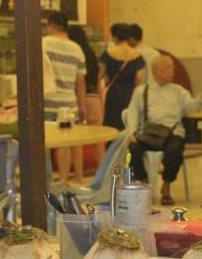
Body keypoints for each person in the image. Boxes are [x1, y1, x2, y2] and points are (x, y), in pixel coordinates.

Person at [126, 55, 202, 206]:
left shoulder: (179, 91)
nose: (171, 71)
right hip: (148, 133)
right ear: (155, 71)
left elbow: (192, 108)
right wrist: (131, 132)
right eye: (167, 68)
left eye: (172, 68)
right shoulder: (141, 91)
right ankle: (142, 182)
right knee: (132, 149)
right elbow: (132, 112)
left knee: (175, 150)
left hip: (172, 133)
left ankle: (167, 184)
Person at [41, 11, 87, 181]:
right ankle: (64, 180)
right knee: (65, 143)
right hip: (69, 104)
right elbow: (80, 81)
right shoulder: (77, 49)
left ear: (51, 24)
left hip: (47, 102)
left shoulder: (43, 44)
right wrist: (81, 106)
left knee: (44, 144)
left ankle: (46, 182)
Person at [68, 23, 105, 172]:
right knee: (98, 140)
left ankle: (78, 175)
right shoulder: (91, 53)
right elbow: (97, 78)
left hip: (79, 98)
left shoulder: (74, 53)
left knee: (75, 141)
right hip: (94, 97)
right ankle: (103, 173)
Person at [99, 23, 145, 130]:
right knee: (128, 124)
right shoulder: (137, 55)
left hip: (113, 92)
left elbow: (100, 75)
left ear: (115, 37)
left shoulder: (108, 53)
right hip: (130, 92)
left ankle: (113, 146)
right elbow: (139, 79)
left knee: (112, 125)